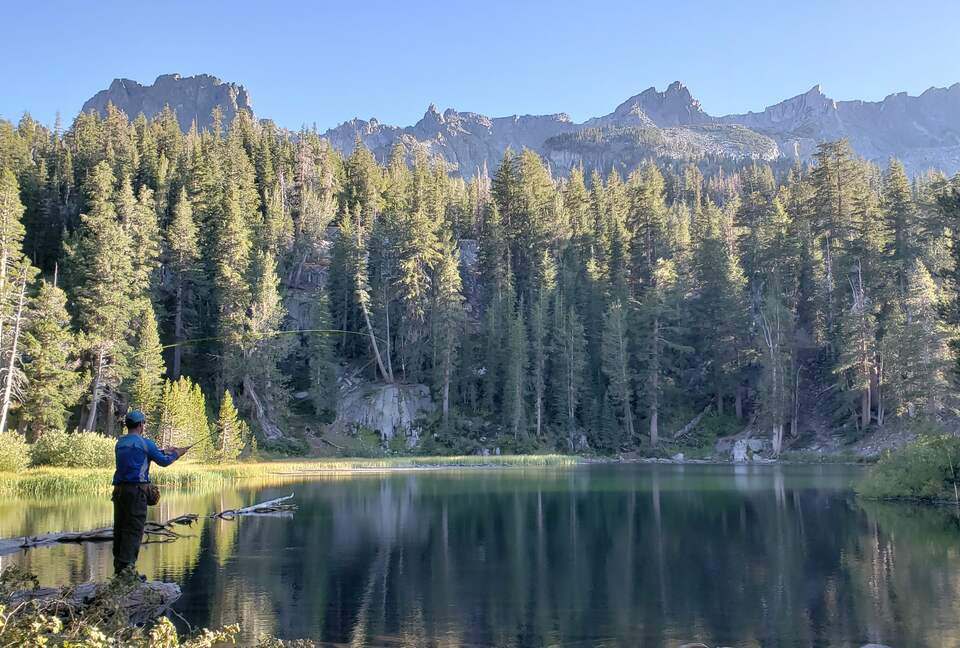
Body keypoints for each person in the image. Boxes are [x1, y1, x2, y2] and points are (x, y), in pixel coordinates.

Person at [112, 410, 188, 576]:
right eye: (143, 424)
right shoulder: (146, 444)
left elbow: (141, 454)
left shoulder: (120, 443)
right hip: (136, 493)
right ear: (140, 425)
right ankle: (128, 574)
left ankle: (119, 571)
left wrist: (164, 450)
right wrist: (177, 453)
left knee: (120, 529)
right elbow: (164, 462)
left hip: (118, 493)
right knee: (133, 531)